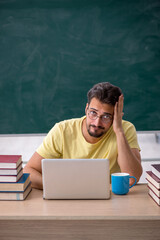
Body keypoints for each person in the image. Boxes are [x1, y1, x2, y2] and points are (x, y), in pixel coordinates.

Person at [24, 82, 142, 189]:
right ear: (86, 109)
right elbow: (29, 171)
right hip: (68, 197)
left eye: (106, 117)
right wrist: (57, 187)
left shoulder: (125, 129)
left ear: (116, 117)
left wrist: (119, 132)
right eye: (93, 113)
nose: (97, 123)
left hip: (109, 199)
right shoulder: (62, 130)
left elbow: (132, 178)